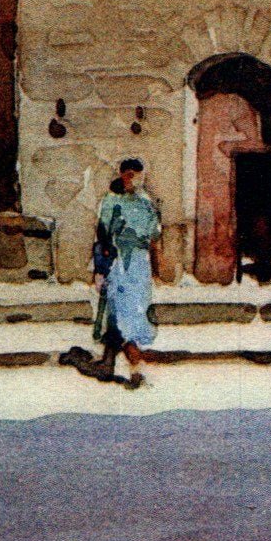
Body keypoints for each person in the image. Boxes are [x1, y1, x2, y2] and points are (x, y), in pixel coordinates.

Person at [64, 158, 161, 388]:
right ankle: (131, 368)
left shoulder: (146, 203)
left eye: (137, 175)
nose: (133, 179)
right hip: (118, 264)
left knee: (131, 317)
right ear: (121, 175)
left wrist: (156, 267)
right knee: (118, 315)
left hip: (139, 266)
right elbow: (103, 236)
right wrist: (100, 269)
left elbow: (154, 237)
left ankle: (113, 363)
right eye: (129, 174)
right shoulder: (111, 201)